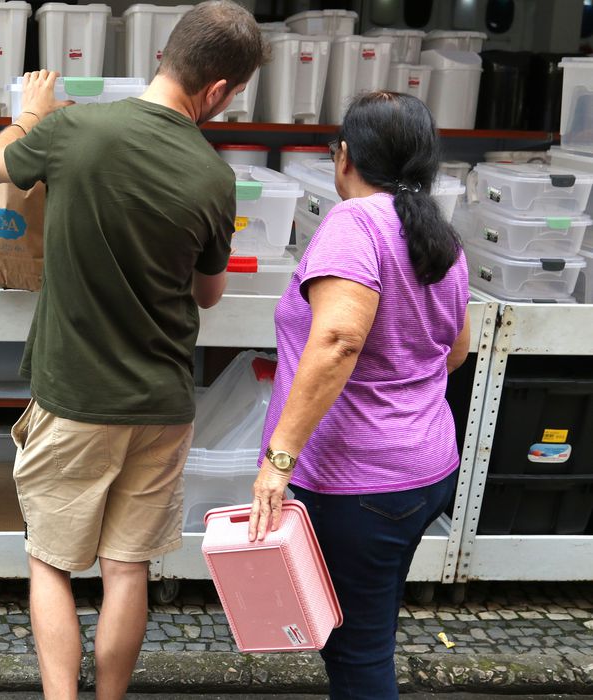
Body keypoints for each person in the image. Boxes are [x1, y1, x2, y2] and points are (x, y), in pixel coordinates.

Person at [0, 3, 267, 697]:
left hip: (75, 396)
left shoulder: (78, 129)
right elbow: (208, 296)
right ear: (219, 91)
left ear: (166, 55)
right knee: (126, 568)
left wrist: (32, 111)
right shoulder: (213, 176)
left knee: (50, 563)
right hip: (161, 403)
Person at [248, 91, 471, 700]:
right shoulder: (440, 238)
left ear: (343, 156)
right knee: (363, 628)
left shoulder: (353, 224)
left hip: (360, 482)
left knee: (357, 653)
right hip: (423, 468)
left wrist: (279, 459)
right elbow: (453, 352)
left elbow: (340, 339)